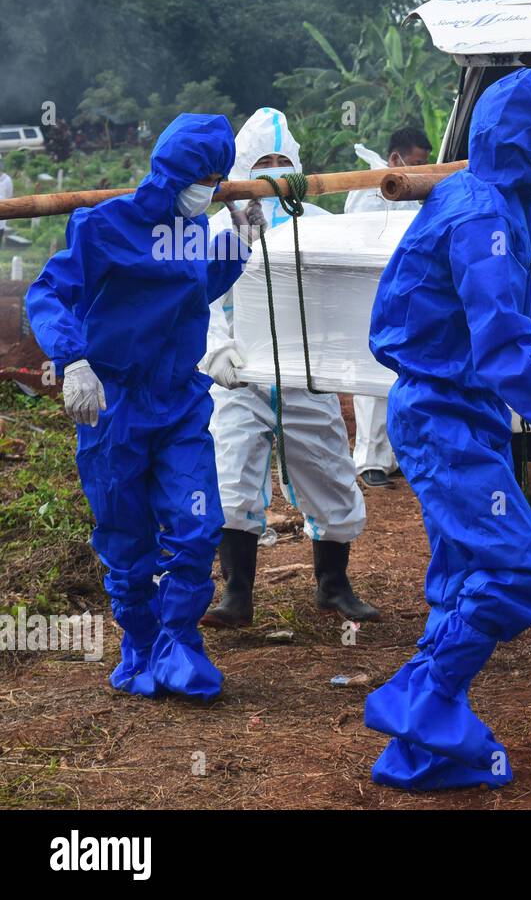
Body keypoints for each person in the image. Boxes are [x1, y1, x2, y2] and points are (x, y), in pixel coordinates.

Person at [365, 68, 531, 790]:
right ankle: (422, 699)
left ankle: (420, 752)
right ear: (518, 144)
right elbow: (502, 350)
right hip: (447, 414)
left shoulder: (484, 199)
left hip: (453, 409)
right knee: (513, 573)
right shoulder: (480, 218)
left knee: (462, 576)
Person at [25, 113, 249, 699]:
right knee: (126, 536)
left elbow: (197, 285)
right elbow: (50, 291)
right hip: (114, 401)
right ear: (175, 171)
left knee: (198, 527)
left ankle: (180, 641)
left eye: (219, 178)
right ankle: (142, 642)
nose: (212, 187)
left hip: (179, 403)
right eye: (204, 175)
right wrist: (72, 359)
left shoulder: (195, 227)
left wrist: (240, 241)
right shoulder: (104, 225)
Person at [198, 107, 377, 629]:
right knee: (232, 480)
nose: (274, 171)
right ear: (241, 167)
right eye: (262, 161)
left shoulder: (322, 227)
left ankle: (334, 586)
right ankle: (237, 593)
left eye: (282, 160)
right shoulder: (214, 229)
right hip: (241, 377)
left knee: (329, 475)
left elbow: (345, 294)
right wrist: (215, 353)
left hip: (306, 376)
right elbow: (201, 301)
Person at [344, 126, 433, 488]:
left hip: (404, 289)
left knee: (401, 371)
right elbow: (365, 241)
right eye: (416, 162)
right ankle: (370, 460)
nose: (421, 169)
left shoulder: (407, 186)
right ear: (396, 158)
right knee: (372, 375)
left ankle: (394, 455)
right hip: (373, 289)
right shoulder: (369, 190)